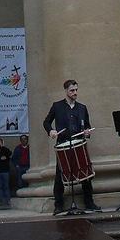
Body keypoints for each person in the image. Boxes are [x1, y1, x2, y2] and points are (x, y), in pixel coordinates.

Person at [43, 79, 100, 214]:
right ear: (66, 91)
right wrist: (51, 131)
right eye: (72, 90)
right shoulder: (57, 106)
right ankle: (59, 205)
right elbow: (46, 122)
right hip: (63, 145)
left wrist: (87, 131)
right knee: (60, 175)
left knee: (85, 173)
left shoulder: (82, 108)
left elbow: (87, 125)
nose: (75, 93)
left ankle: (89, 202)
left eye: (76, 90)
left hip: (79, 143)